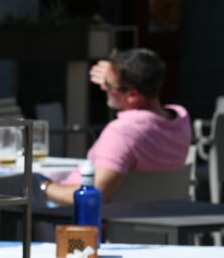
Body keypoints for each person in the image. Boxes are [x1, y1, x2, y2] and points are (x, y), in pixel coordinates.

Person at [42, 47, 192, 205]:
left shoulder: (122, 133)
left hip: (80, 220)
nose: (103, 87)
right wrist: (117, 75)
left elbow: (93, 197)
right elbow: (143, 73)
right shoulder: (180, 120)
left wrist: (42, 186)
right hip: (152, 218)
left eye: (108, 85)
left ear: (133, 95)